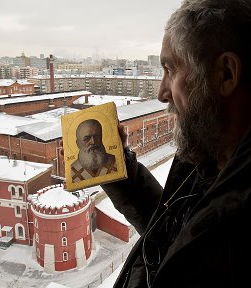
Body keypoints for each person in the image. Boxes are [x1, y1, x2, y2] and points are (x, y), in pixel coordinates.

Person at [99, 0, 251, 287]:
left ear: (226, 74)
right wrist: (120, 170)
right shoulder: (209, 155)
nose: (161, 93)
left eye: (170, 69)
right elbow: (177, 237)